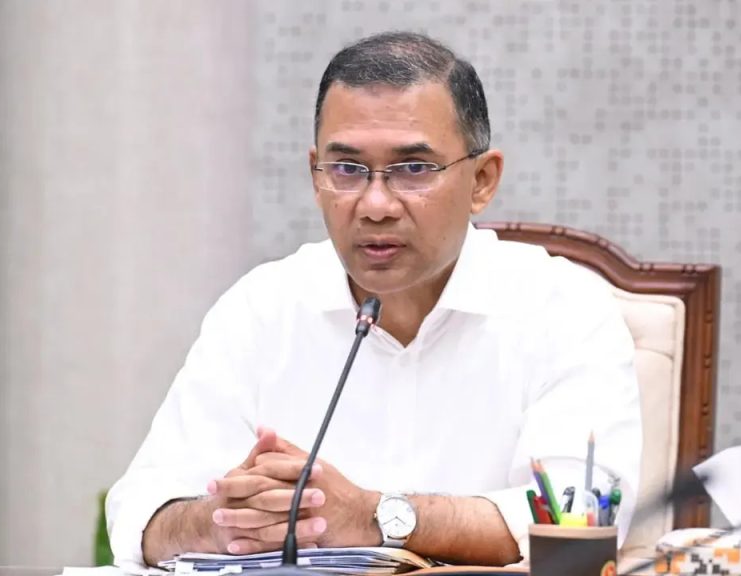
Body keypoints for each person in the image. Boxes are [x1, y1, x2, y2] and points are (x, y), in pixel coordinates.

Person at [106, 31, 642, 570]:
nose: (376, 205)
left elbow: (580, 517)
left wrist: (375, 515)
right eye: (346, 169)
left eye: (413, 169)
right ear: (315, 175)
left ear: (482, 181)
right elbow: (141, 510)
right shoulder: (262, 307)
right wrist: (224, 522)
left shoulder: (564, 310)